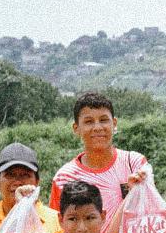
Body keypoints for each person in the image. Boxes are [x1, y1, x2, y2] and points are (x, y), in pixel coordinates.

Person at [48, 92, 150, 223]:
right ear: (76, 128)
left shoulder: (135, 164)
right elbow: (58, 231)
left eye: (103, 120)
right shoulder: (64, 178)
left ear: (114, 123)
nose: (97, 127)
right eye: (89, 122)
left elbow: (151, 215)